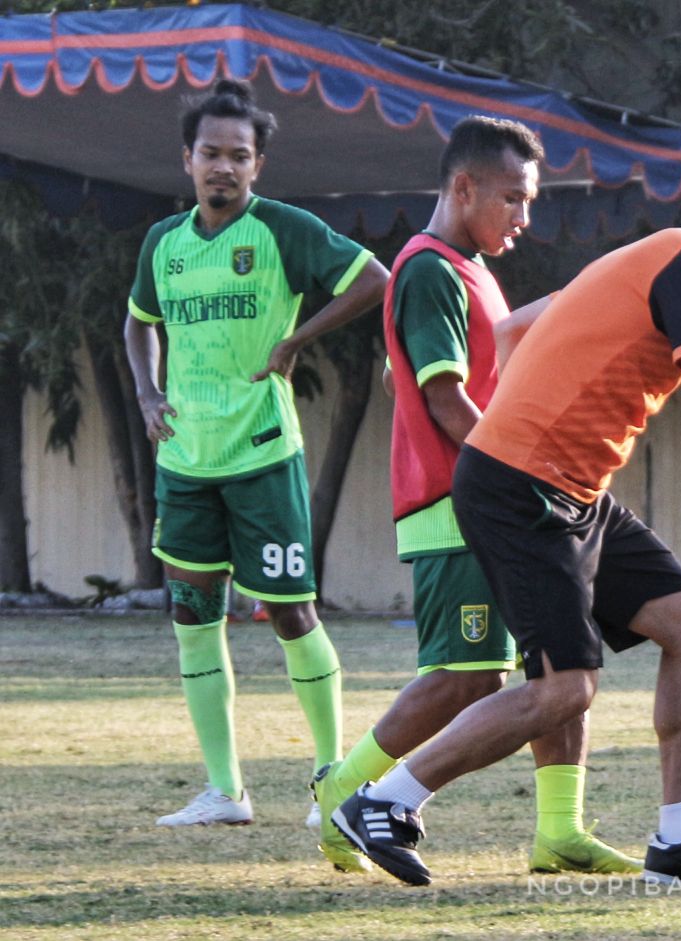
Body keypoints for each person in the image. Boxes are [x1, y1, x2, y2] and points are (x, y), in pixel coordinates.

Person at [332, 168, 681, 887]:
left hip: (570, 488)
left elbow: (512, 329)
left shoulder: (665, 259)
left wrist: (542, 396)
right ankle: (383, 801)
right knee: (565, 689)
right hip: (519, 486)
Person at [310, 115, 638, 877]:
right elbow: (446, 398)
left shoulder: (468, 271)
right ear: (464, 188)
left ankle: (560, 831)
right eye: (514, 199)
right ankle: (343, 794)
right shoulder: (427, 268)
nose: (526, 216)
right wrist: (518, 470)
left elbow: (419, 373)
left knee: (555, 662)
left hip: (496, 500)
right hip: (457, 506)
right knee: (468, 676)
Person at [124, 79, 388, 827]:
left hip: (264, 456)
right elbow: (137, 321)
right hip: (185, 461)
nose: (224, 167)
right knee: (193, 613)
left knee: (290, 613)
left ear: (257, 167)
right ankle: (224, 790)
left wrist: (298, 338)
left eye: (239, 156)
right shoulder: (163, 244)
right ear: (188, 159)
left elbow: (374, 279)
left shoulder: (283, 229)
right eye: (211, 153)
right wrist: (146, 391)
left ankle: (332, 778)